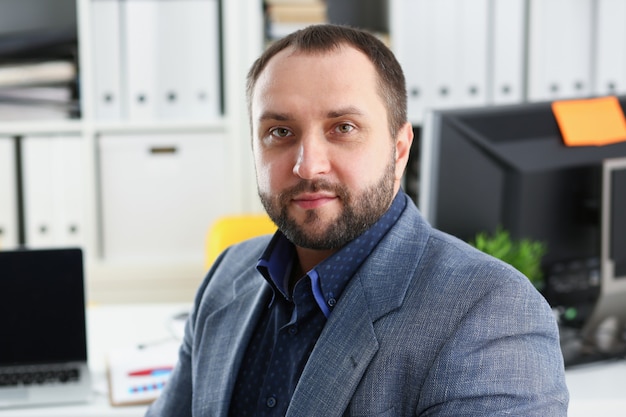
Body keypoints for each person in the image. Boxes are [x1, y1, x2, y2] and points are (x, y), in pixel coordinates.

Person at [146, 24, 569, 416]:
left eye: (343, 127)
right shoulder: (227, 274)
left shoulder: (491, 312)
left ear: (400, 149)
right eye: (280, 132)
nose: (308, 167)